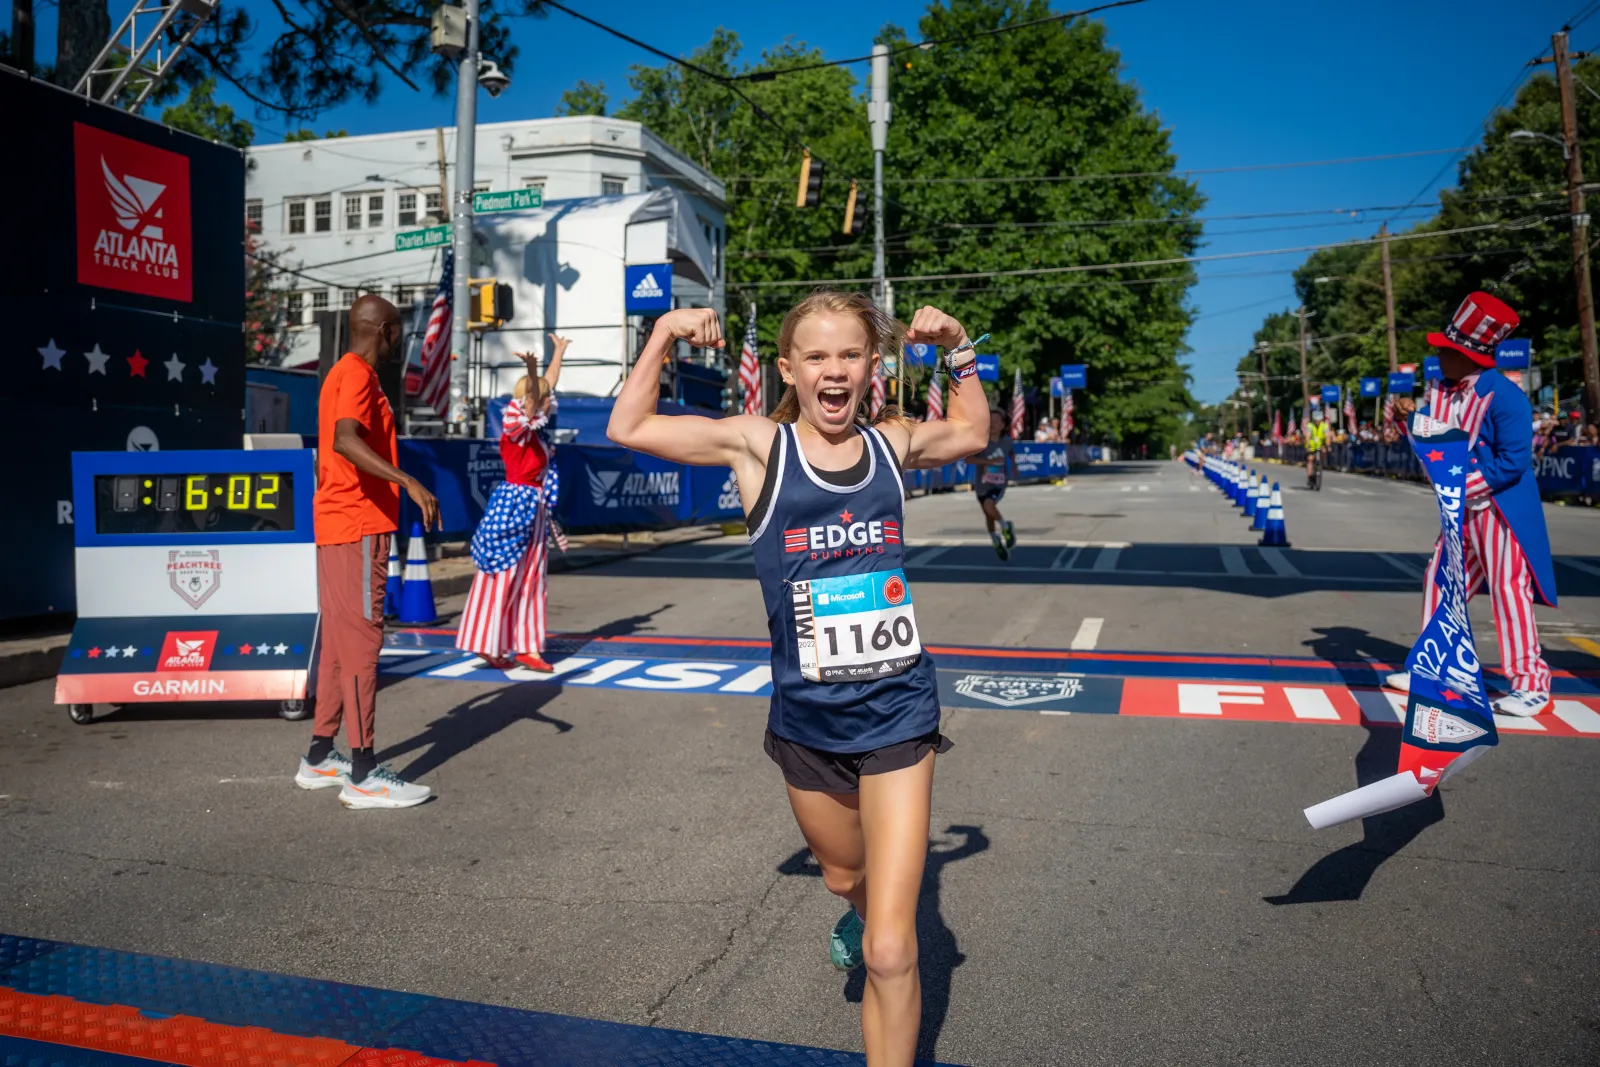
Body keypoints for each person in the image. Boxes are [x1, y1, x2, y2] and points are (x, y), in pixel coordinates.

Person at [607, 291, 987, 1067]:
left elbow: (974, 431)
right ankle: (858, 902)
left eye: (849, 354)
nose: (834, 370)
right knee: (843, 872)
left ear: (873, 367)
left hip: (900, 716)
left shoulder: (891, 443)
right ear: (789, 368)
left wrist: (958, 348)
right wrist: (662, 334)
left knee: (890, 948)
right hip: (808, 725)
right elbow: (627, 426)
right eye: (815, 356)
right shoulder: (761, 448)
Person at [296, 294, 440, 809]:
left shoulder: (340, 372)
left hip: (337, 525)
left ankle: (319, 755)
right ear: (388, 331)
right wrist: (407, 480)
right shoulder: (357, 374)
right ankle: (362, 770)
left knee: (338, 647)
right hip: (357, 525)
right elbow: (344, 441)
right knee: (360, 645)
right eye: (400, 330)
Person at [1386, 291, 1557, 717]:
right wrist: (1409, 419)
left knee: (1508, 592)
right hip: (1460, 511)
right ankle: (1434, 668)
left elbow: (1513, 464)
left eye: (1445, 350)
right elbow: (1435, 446)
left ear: (1469, 356)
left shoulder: (1508, 397)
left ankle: (1531, 683)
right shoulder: (1440, 390)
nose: (1437, 355)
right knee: (1440, 582)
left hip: (1499, 512)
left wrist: (1458, 487)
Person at [456, 333, 568, 672]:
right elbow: (536, 397)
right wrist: (533, 370)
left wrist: (558, 353)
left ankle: (524, 647)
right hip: (516, 507)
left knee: (532, 579)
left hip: (533, 508)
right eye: (545, 398)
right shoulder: (516, 427)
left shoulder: (535, 430)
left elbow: (546, 387)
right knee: (503, 575)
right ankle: (493, 644)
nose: (551, 401)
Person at [972, 408, 1018, 560]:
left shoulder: (1007, 441)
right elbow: (968, 459)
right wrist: (988, 462)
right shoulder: (981, 442)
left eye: (996, 421)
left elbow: (1011, 452)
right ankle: (995, 540)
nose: (993, 424)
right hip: (981, 485)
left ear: (1003, 425)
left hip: (998, 484)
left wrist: (1014, 466)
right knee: (988, 513)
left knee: (988, 506)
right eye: (990, 421)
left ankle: (1005, 527)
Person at [1304, 409, 1328, 486]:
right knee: (1310, 459)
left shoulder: (1324, 426)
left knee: (1324, 452)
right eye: (1316, 420)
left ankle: (1320, 464)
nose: (1318, 422)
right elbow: (1307, 436)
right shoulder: (1310, 426)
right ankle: (1310, 477)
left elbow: (1328, 436)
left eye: (1319, 420)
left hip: (1320, 445)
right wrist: (1308, 445)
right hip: (1312, 446)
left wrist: (1327, 445)